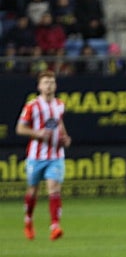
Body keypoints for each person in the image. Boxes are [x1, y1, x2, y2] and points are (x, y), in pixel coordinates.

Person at [16, 70, 72, 241]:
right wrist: (38, 133)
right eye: (46, 82)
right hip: (36, 156)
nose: (49, 85)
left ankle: (55, 226)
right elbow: (20, 129)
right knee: (33, 191)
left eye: (52, 82)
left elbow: (59, 123)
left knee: (54, 189)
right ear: (39, 86)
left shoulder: (60, 104)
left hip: (55, 155)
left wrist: (65, 137)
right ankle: (28, 221)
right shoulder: (32, 106)